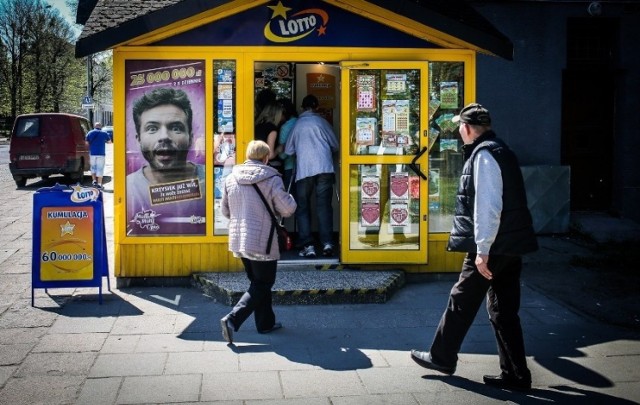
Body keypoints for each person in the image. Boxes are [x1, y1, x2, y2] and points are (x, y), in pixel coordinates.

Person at [410, 103, 538, 392]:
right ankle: (516, 374)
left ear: (467, 128)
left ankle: (441, 357)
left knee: (462, 299)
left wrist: (482, 249)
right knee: (504, 311)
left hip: (493, 246)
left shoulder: (483, 156)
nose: (458, 131)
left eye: (459, 127)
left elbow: (488, 207)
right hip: (510, 244)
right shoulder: (501, 149)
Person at [220, 140, 297, 344]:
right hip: (263, 240)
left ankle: (265, 323)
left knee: (258, 283)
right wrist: (290, 197)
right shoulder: (271, 178)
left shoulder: (230, 178)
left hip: (239, 241)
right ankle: (232, 319)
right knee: (263, 283)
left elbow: (225, 211)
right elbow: (288, 209)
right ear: (265, 158)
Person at [126, 87, 205, 235]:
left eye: (175, 128)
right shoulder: (127, 188)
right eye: (152, 128)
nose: (164, 136)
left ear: (190, 138)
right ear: (138, 139)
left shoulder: (212, 180)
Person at [285, 94, 338, 257]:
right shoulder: (323, 122)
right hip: (324, 168)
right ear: (316, 107)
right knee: (323, 206)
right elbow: (335, 145)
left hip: (304, 170)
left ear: (302, 107)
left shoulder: (298, 125)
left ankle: (308, 245)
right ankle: (327, 243)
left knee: (303, 207)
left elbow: (288, 150)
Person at [254, 100, 285, 173]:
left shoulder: (257, 126)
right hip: (269, 168)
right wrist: (279, 149)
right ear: (277, 114)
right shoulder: (272, 129)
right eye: (281, 113)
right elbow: (270, 155)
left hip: (256, 164)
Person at [277, 97, 298, 193]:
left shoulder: (285, 128)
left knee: (290, 198)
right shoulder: (299, 122)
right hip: (302, 168)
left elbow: (283, 154)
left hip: (289, 167)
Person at [85, 121, 111, 188]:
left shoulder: (90, 133)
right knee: (100, 168)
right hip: (101, 154)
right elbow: (109, 142)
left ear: (94, 126)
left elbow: (86, 143)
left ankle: (94, 181)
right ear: (101, 127)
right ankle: (99, 184)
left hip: (92, 153)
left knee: (93, 167)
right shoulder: (104, 133)